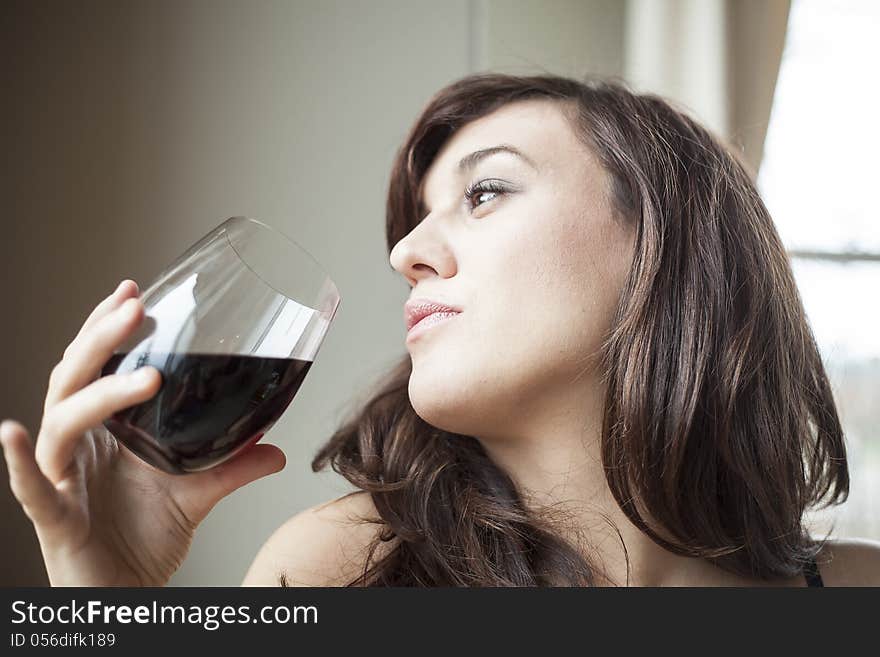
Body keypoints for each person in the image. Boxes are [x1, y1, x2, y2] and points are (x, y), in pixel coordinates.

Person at [3, 73, 879, 587]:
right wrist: (108, 600)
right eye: (415, 220)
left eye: (485, 192)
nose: (407, 253)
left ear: (664, 239)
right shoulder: (338, 572)